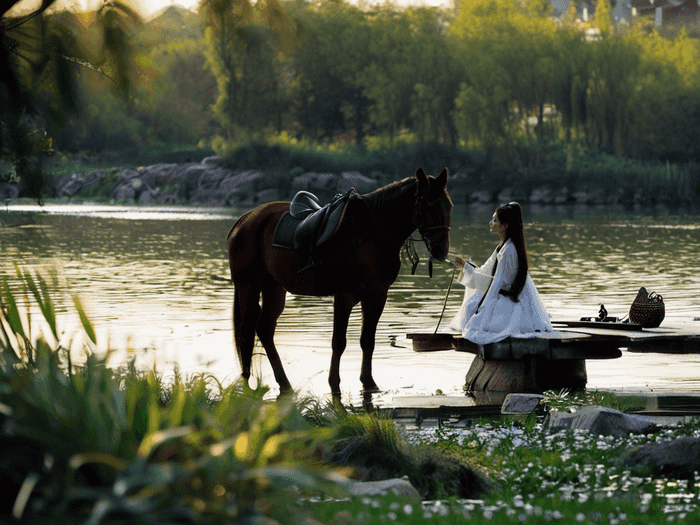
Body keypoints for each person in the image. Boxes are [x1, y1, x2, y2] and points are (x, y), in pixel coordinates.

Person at [449, 202, 553, 344]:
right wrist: (464, 266)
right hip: (499, 293)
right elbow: (485, 271)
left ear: (504, 226)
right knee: (471, 306)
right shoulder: (502, 247)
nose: (491, 223)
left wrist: (482, 311)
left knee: (474, 317)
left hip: (507, 301)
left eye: (495, 220)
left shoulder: (509, 250)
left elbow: (496, 283)